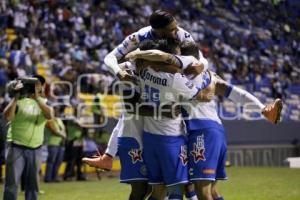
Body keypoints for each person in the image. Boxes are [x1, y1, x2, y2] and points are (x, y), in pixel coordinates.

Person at [3, 75, 53, 200]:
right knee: (12, 184)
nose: (34, 87)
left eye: (37, 84)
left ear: (42, 87)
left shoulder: (45, 103)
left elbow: (49, 115)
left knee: (33, 186)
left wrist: (37, 99)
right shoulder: (18, 101)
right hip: (16, 146)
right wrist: (16, 96)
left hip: (36, 148)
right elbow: (8, 117)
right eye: (31, 85)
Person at [44, 112, 66, 182]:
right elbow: (54, 131)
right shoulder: (49, 120)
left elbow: (64, 129)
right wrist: (63, 136)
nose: (57, 111)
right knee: (51, 161)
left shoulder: (59, 120)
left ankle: (55, 177)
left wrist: (64, 137)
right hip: (52, 143)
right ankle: (48, 178)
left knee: (58, 161)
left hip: (61, 143)